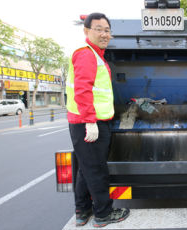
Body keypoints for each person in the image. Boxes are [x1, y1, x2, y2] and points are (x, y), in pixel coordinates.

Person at [66, 12, 129, 228]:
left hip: (87, 121)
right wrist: (90, 121)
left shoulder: (95, 55)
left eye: (107, 30)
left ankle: (82, 211)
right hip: (88, 123)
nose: (104, 34)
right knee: (96, 169)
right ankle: (103, 214)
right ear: (86, 31)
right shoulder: (86, 55)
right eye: (99, 29)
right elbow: (83, 90)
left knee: (85, 168)